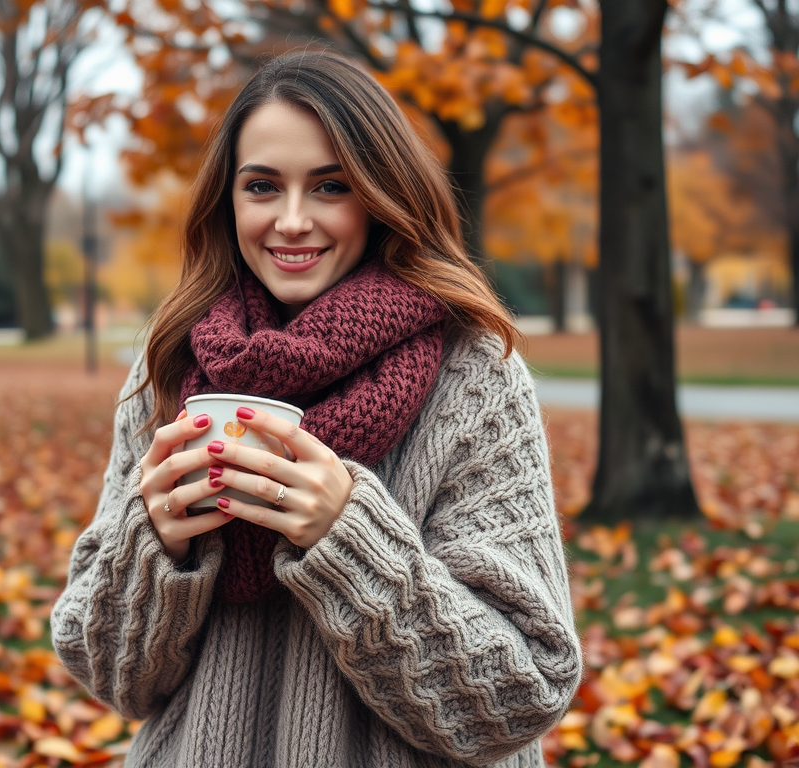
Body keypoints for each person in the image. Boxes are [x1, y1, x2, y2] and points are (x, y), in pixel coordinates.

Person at [51, 49, 582, 768]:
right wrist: (155, 544)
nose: (292, 220)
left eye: (330, 186)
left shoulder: (474, 376)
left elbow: (523, 691)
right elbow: (110, 673)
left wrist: (349, 537)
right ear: (228, 199)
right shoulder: (171, 363)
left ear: (381, 192)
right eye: (263, 186)